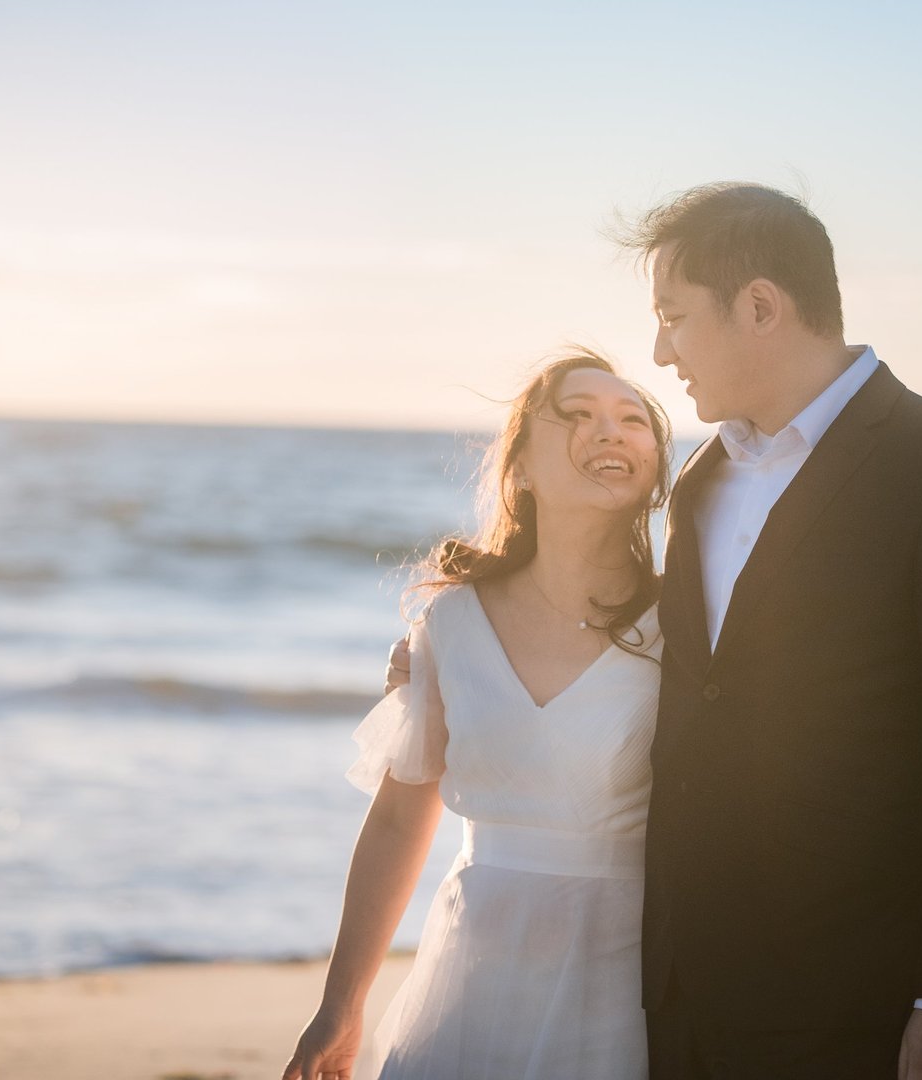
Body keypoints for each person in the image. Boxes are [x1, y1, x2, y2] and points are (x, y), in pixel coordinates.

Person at [388, 184, 922, 1079]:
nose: (663, 352)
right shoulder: (701, 481)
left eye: (674, 318)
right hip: (669, 996)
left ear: (760, 307)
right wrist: (462, 662)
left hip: (852, 990)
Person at [282, 350, 675, 1080]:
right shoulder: (452, 623)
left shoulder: (688, 623)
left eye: (632, 419)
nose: (610, 431)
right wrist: (342, 1003)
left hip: (627, 983)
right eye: (578, 415)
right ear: (520, 466)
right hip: (471, 974)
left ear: (654, 466)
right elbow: (399, 818)